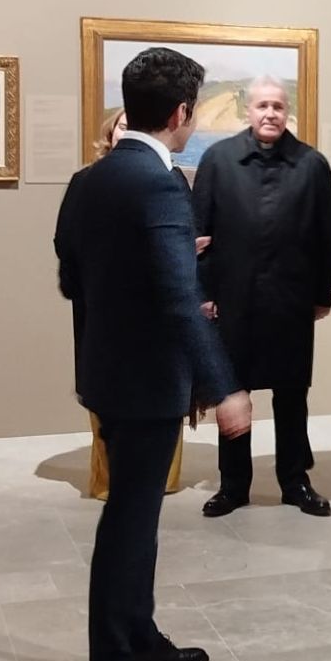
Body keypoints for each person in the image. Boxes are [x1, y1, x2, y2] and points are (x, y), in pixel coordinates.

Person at [54, 47, 253, 661]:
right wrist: (225, 387)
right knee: (129, 527)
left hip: (107, 374)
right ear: (180, 115)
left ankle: (140, 637)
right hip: (146, 384)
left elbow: (70, 276)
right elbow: (177, 298)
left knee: (136, 520)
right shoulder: (161, 185)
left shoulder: (90, 179)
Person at [192, 78, 331, 517]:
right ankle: (233, 485)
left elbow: (327, 235)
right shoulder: (218, 160)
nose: (270, 113)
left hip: (291, 299)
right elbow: (199, 232)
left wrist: (323, 294)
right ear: (247, 111)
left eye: (278, 106)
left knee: (292, 395)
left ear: (287, 111)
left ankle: (295, 481)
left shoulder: (312, 164)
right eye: (262, 106)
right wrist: (203, 292)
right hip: (232, 299)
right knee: (232, 392)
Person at [84, 107, 184, 501]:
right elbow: (68, 247)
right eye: (122, 128)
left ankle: (163, 479)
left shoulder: (172, 180)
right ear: (110, 135)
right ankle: (110, 482)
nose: (129, 135)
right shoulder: (88, 182)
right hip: (107, 311)